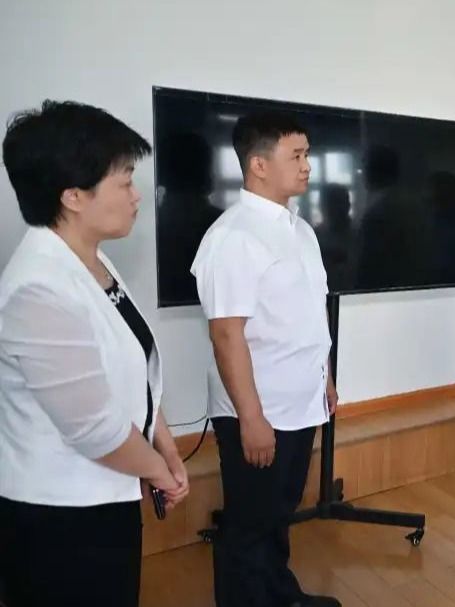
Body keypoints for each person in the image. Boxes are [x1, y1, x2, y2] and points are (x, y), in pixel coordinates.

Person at [0, 100, 189, 607]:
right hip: (60, 519)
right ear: (74, 196)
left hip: (107, 493)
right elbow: (94, 429)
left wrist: (166, 446)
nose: (136, 195)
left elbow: (133, 368)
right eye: (124, 181)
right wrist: (157, 470)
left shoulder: (91, 261)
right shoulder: (38, 288)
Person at [191, 112, 340, 607]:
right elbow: (226, 334)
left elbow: (308, 314)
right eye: (296, 155)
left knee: (279, 511)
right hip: (260, 409)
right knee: (250, 523)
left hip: (301, 400)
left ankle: (279, 594)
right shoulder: (234, 236)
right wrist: (251, 418)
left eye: (307, 154)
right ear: (258, 164)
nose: (307, 165)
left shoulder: (300, 230)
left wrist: (325, 378)